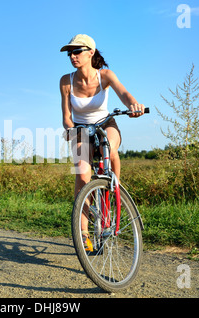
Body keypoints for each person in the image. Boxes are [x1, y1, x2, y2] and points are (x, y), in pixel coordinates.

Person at [59, 34, 145, 251]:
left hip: (105, 122)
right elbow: (67, 117)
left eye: (77, 51)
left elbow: (124, 94)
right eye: (70, 52)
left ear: (91, 52)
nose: (73, 56)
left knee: (110, 146)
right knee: (82, 174)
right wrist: (70, 130)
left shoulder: (105, 75)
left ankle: (115, 189)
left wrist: (134, 105)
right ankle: (84, 234)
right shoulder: (65, 81)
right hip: (80, 128)